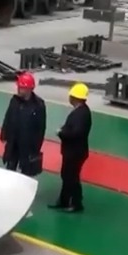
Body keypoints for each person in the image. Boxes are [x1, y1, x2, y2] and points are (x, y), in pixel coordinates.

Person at [51, 83, 93, 213]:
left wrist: (61, 133)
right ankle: (64, 201)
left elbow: (76, 133)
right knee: (67, 175)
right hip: (73, 151)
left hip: (75, 152)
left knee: (71, 177)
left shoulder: (81, 114)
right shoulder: (81, 111)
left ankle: (76, 203)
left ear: (75, 98)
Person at [0, 71, 46, 176]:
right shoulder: (15, 101)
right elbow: (8, 117)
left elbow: (41, 129)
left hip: (27, 146)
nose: (18, 89)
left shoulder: (38, 105)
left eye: (21, 88)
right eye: (19, 87)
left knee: (26, 172)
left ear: (29, 89)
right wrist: (4, 134)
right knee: (10, 168)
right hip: (14, 143)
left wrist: (36, 148)